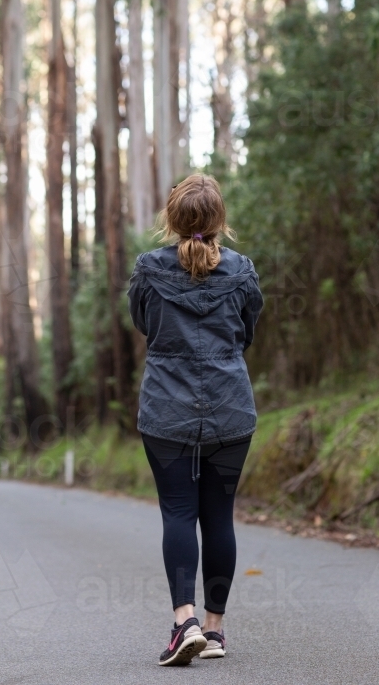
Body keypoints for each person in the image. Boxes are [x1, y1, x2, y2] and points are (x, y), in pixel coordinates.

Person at [128, 174, 263, 666]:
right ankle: (215, 631)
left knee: (179, 513)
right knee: (219, 517)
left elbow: (144, 325)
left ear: (172, 218)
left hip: (166, 410)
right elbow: (246, 332)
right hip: (230, 407)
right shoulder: (242, 271)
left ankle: (183, 621)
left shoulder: (148, 270)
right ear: (219, 220)